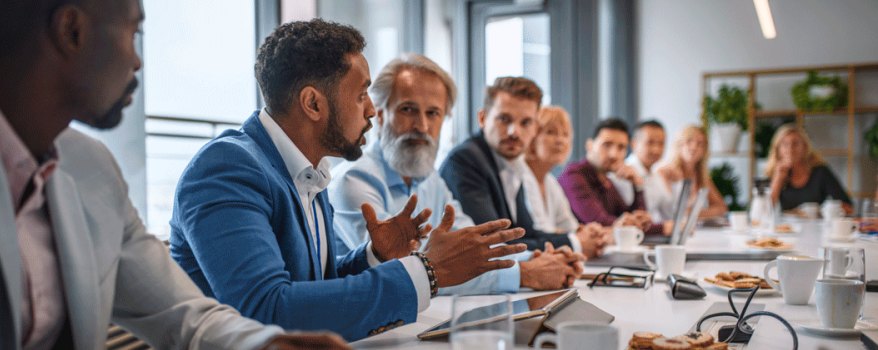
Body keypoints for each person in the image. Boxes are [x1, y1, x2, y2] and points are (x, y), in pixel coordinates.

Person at [0, 0, 351, 349]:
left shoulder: (93, 169)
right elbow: (268, 302)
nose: (137, 62)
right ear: (71, 30)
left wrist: (264, 343)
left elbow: (184, 313)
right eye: (133, 33)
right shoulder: (229, 166)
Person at [169, 20, 527, 342]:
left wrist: (374, 256)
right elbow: (267, 311)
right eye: (360, 95)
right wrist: (427, 271)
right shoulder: (227, 168)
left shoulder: (310, 170)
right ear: (313, 103)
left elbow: (312, 287)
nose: (372, 110)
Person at [330, 54, 583, 295]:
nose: (422, 126)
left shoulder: (430, 178)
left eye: (433, 113)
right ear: (382, 115)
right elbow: (401, 271)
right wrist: (524, 273)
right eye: (408, 110)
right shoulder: (355, 180)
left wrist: (540, 259)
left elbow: (472, 245)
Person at [439, 77, 608, 258]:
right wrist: (575, 243)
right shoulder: (466, 160)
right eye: (504, 119)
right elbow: (495, 243)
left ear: (535, 127)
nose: (514, 132)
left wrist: (576, 238)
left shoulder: (512, 163)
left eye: (526, 123)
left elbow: (525, 232)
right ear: (482, 118)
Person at [558, 118, 670, 236]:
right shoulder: (573, 176)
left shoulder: (606, 180)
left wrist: (638, 186)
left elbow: (634, 219)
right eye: (606, 145)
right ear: (589, 145)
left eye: (621, 147)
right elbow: (600, 221)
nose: (614, 154)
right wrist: (661, 228)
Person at [765, 124, 852, 213]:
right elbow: (764, 211)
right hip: (788, 226)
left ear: (805, 147)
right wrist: (778, 179)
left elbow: (849, 207)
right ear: (777, 150)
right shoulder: (774, 174)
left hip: (817, 225)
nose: (790, 149)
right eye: (784, 144)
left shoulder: (820, 172)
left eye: (795, 143)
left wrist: (818, 210)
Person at [523, 106, 582, 234]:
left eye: (565, 134)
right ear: (532, 138)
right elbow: (539, 232)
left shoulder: (550, 181)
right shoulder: (520, 176)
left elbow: (569, 225)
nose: (560, 140)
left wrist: (591, 232)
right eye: (550, 132)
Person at [657, 125, 728, 219]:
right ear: (679, 145)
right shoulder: (666, 173)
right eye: (689, 141)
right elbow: (670, 210)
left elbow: (722, 208)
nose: (694, 147)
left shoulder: (701, 177)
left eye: (700, 144)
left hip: (693, 230)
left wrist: (694, 213)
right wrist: (694, 213)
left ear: (704, 150)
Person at [611, 120, 675, 224]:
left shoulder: (656, 174)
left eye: (661, 143)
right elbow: (632, 217)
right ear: (633, 144)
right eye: (650, 142)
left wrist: (672, 183)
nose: (656, 149)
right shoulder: (622, 174)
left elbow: (670, 213)